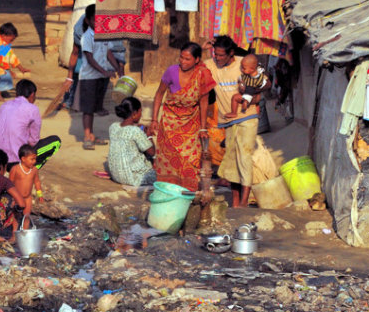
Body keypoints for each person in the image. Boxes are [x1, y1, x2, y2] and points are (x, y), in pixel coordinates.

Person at [204, 36, 270, 207]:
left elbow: (267, 82)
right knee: (232, 159)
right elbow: (195, 64)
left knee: (245, 156)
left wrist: (253, 92)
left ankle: (244, 201)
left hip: (247, 117)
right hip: (227, 121)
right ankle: (235, 201)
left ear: (231, 53)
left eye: (221, 55)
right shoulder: (211, 64)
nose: (217, 58)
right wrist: (204, 48)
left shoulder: (244, 63)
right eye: (215, 54)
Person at [150, 42, 216, 191]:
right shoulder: (171, 71)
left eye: (187, 59)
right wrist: (154, 119)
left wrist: (203, 128)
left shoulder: (202, 75)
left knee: (189, 160)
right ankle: (169, 191)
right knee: (168, 160)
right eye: (181, 58)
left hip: (191, 123)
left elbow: (203, 103)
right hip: (169, 123)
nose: (183, 62)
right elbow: (159, 94)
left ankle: (188, 192)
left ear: (197, 60)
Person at [0, 78, 61, 170]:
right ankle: (29, 172)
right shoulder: (32, 109)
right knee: (56, 142)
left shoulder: (4, 105)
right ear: (32, 94)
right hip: (15, 161)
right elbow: (33, 141)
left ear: (17, 94)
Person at [79, 4, 118, 150]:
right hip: (89, 77)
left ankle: (92, 135)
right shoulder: (86, 37)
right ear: (88, 21)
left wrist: (117, 68)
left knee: (96, 106)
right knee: (88, 109)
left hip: (100, 77)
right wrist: (105, 71)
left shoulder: (104, 34)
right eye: (95, 20)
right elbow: (90, 59)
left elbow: (109, 54)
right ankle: (86, 136)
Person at [108, 97, 156, 186]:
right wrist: (149, 136)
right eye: (140, 111)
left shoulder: (113, 127)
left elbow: (126, 135)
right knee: (163, 173)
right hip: (133, 178)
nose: (141, 115)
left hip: (116, 176)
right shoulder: (135, 131)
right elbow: (152, 152)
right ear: (134, 113)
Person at [0, 22, 30, 101]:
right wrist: (7, 70)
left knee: (5, 73)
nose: (11, 42)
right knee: (6, 74)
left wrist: (21, 68)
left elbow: (12, 57)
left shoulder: (2, 43)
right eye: (11, 39)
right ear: (4, 36)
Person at [225, 54, 268, 119]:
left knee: (234, 98)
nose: (242, 70)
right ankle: (255, 112)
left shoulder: (256, 77)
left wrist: (252, 88)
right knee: (256, 103)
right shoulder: (249, 74)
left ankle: (234, 112)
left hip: (251, 94)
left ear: (252, 69)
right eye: (241, 68)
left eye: (244, 68)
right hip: (252, 95)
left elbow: (264, 84)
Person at [9, 144, 44, 215]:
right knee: (15, 216)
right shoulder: (15, 169)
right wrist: (10, 197)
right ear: (23, 159)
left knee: (26, 216)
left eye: (35, 159)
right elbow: (10, 184)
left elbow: (37, 182)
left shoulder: (34, 170)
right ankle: (15, 226)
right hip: (16, 198)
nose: (34, 161)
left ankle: (25, 226)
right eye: (32, 159)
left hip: (28, 198)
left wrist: (40, 194)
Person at [61, 14, 84, 111]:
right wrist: (69, 77)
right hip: (80, 63)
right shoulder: (80, 29)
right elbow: (74, 53)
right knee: (74, 81)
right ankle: (68, 101)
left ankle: (74, 102)